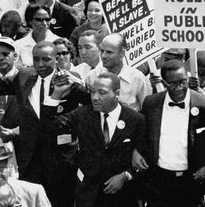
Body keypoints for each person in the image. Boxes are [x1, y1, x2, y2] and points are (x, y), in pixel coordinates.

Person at [0, 41, 85, 207]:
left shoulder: (69, 78)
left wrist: (79, 83)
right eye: (36, 59)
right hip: (31, 159)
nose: (40, 64)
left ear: (56, 58)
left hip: (60, 160)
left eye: (46, 59)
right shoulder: (24, 76)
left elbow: (91, 99)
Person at [47, 73, 146, 206]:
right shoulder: (82, 115)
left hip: (122, 197)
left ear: (116, 93)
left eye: (102, 93)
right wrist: (57, 94)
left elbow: (144, 159)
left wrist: (125, 175)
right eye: (93, 92)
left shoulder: (135, 120)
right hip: (88, 196)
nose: (95, 98)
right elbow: (50, 128)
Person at [134, 59, 205, 207]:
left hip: (190, 181)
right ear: (163, 82)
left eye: (183, 81)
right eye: (173, 83)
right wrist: (136, 151)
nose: (179, 87)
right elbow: (142, 132)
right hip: (157, 181)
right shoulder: (151, 103)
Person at [86, 33, 152, 111]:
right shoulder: (92, 76)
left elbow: (148, 109)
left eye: (109, 52)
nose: (103, 56)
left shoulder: (137, 78)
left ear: (122, 53)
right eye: (102, 51)